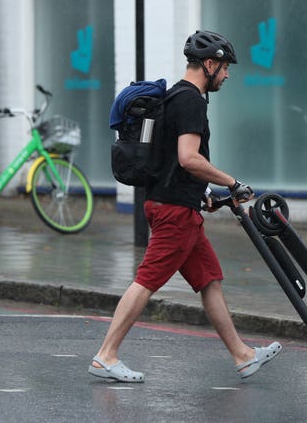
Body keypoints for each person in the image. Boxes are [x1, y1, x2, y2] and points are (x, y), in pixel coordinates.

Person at [89, 30, 282, 383]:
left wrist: (201, 193)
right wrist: (231, 182)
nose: (227, 75)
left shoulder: (174, 98)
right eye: (224, 68)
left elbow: (170, 162)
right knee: (146, 281)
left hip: (178, 206)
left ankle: (243, 355)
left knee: (209, 280)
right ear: (209, 64)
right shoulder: (191, 100)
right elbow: (188, 158)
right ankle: (106, 355)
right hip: (174, 213)